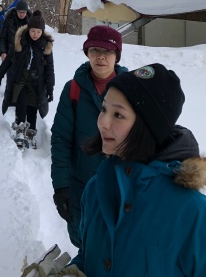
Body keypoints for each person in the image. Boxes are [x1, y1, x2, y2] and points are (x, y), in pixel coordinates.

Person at [68, 63, 206, 277]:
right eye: (104, 109)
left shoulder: (188, 208)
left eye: (118, 115)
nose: (103, 122)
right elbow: (89, 255)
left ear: (147, 126)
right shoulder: (95, 189)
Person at [51, 25, 128, 248]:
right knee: (83, 237)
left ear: (117, 55)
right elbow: (61, 140)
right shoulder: (73, 90)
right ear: (87, 53)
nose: (101, 57)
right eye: (95, 50)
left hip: (121, 183)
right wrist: (61, 186)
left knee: (119, 241)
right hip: (81, 184)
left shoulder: (131, 90)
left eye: (108, 52)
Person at [0, 10, 54, 148]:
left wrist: (50, 87)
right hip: (21, 79)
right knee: (21, 103)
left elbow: (50, 68)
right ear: (28, 30)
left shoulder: (46, 46)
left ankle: (31, 132)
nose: (35, 34)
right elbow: (9, 59)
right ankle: (20, 130)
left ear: (42, 32)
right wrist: (0, 74)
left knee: (33, 108)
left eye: (38, 32)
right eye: (33, 31)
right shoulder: (20, 42)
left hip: (37, 82)